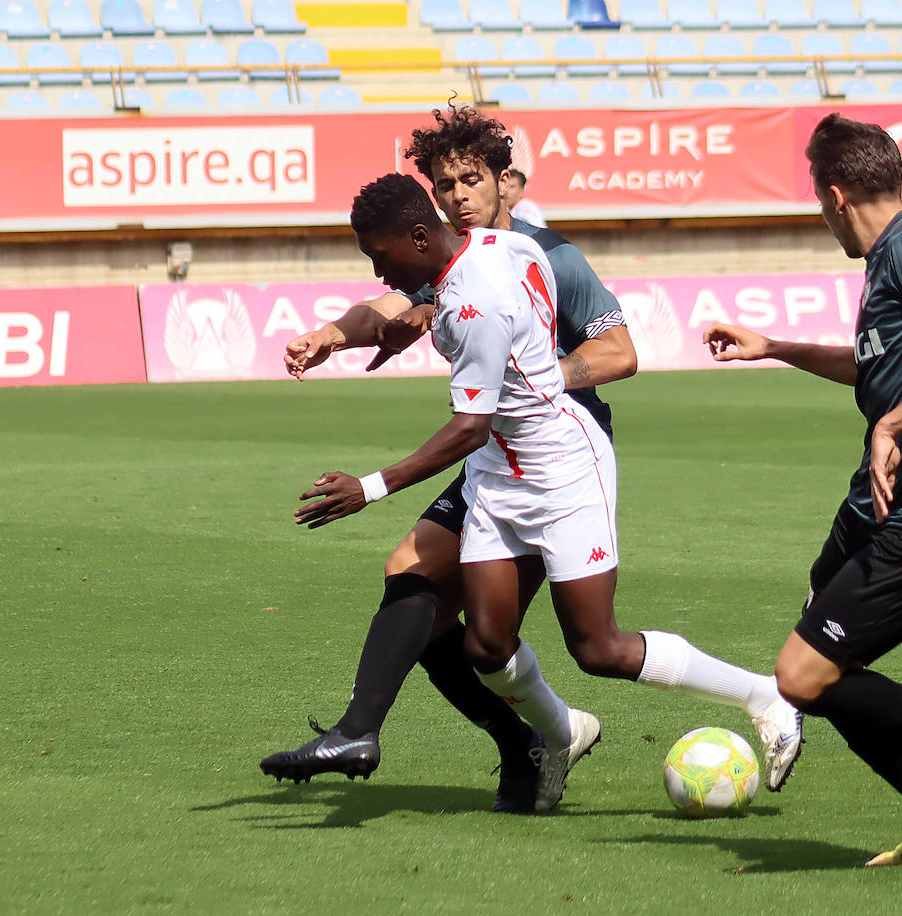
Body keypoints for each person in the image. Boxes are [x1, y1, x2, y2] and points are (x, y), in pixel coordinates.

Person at [260, 106, 803, 810]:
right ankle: (546, 730)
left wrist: (537, 376)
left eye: (471, 179)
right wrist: (334, 333)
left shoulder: (540, 257)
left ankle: (763, 697)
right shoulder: (471, 256)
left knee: (596, 647)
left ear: (504, 181)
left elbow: (618, 354)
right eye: (444, 181)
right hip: (494, 461)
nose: (459, 193)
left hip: (554, 454)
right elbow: (399, 301)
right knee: (470, 632)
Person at [702, 113, 902, 866]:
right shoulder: (887, 259)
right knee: (821, 659)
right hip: (868, 508)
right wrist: (775, 346)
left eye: (816, 198)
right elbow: (877, 369)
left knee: (801, 674)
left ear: (834, 195)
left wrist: (890, 427)